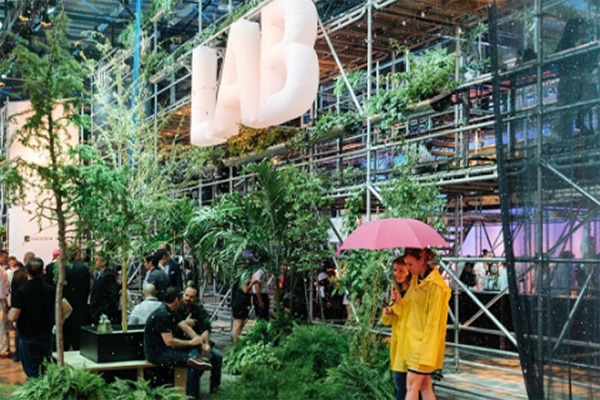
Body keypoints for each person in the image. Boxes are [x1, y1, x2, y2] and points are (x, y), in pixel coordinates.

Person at [8, 257, 72, 378]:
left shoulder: (21, 292)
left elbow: (13, 316)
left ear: (26, 272)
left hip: (28, 336)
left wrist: (9, 315)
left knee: (32, 372)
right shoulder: (51, 290)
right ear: (42, 271)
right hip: (46, 334)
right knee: (45, 370)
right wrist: (60, 321)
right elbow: (68, 308)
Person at [144, 286, 212, 399]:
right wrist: (191, 343)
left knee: (194, 358)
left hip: (166, 349)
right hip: (157, 353)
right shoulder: (162, 314)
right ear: (176, 299)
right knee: (192, 362)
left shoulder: (171, 311)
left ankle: (198, 362)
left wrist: (201, 343)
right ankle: (191, 396)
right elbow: (169, 341)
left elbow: (185, 327)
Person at [400, 248, 451, 400]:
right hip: (416, 342)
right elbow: (409, 304)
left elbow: (434, 322)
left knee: (411, 386)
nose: (408, 268)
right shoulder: (419, 279)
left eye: (410, 264)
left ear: (421, 261)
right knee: (423, 386)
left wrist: (427, 353)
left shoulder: (435, 286)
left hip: (423, 346)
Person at [556, 17, 597, 139]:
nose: (585, 28)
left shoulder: (575, 43)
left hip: (576, 79)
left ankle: (579, 123)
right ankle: (562, 136)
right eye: (583, 26)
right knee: (565, 110)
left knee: (589, 96)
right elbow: (566, 63)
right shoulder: (567, 44)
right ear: (576, 28)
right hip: (569, 80)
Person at [177, 285, 223, 394]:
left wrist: (206, 345)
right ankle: (192, 395)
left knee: (217, 356)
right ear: (183, 294)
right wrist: (186, 323)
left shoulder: (197, 309)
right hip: (184, 343)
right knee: (194, 362)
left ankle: (215, 389)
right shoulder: (177, 308)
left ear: (196, 298)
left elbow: (204, 329)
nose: (188, 298)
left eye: (191, 297)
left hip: (199, 343)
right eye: (186, 295)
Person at [381, 256, 412, 400]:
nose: (397, 274)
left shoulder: (415, 291)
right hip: (398, 345)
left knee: (409, 388)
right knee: (400, 385)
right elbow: (388, 321)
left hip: (411, 345)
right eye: (395, 270)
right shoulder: (395, 290)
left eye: (402, 271)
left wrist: (399, 306)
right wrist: (389, 310)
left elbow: (413, 317)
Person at [89, 253, 120, 325]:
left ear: (103, 262)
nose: (94, 262)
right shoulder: (99, 274)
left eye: (96, 260)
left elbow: (113, 295)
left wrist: (104, 310)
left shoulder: (108, 275)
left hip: (102, 314)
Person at [231, 275, 253, 342]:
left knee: (236, 323)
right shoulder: (245, 275)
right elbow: (245, 289)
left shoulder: (238, 274)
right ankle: (236, 342)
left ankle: (235, 341)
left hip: (236, 301)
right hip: (241, 302)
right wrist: (252, 283)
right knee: (238, 324)